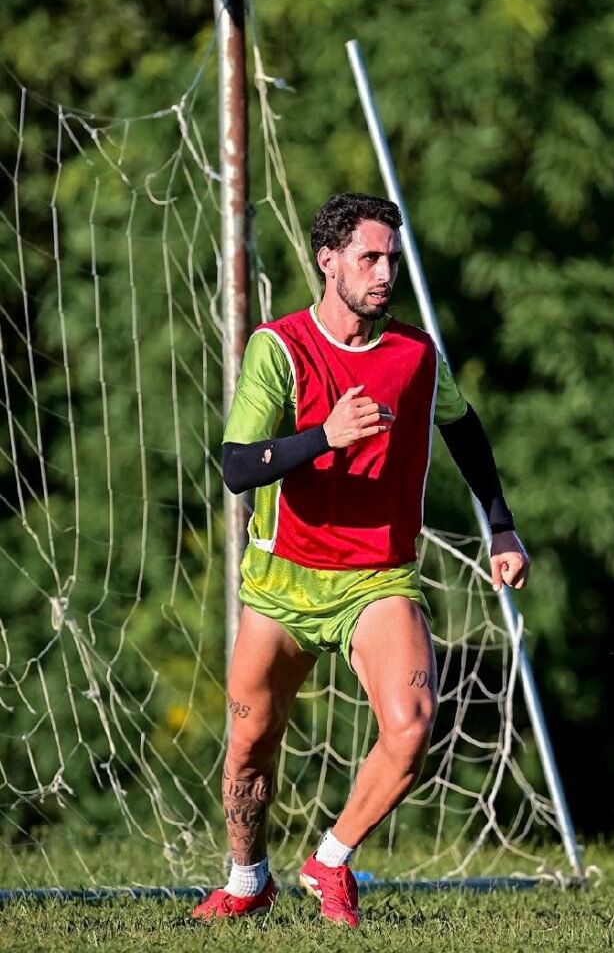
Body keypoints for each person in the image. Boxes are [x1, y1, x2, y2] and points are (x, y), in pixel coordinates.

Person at [192, 193, 530, 927]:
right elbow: (237, 467)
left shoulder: (416, 355)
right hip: (281, 582)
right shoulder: (278, 347)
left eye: (392, 259)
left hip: (378, 578)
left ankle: (330, 861)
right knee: (250, 748)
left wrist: (501, 527)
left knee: (411, 725)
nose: (384, 273)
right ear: (329, 260)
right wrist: (324, 435)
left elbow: (465, 430)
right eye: (370, 257)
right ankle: (248, 880)